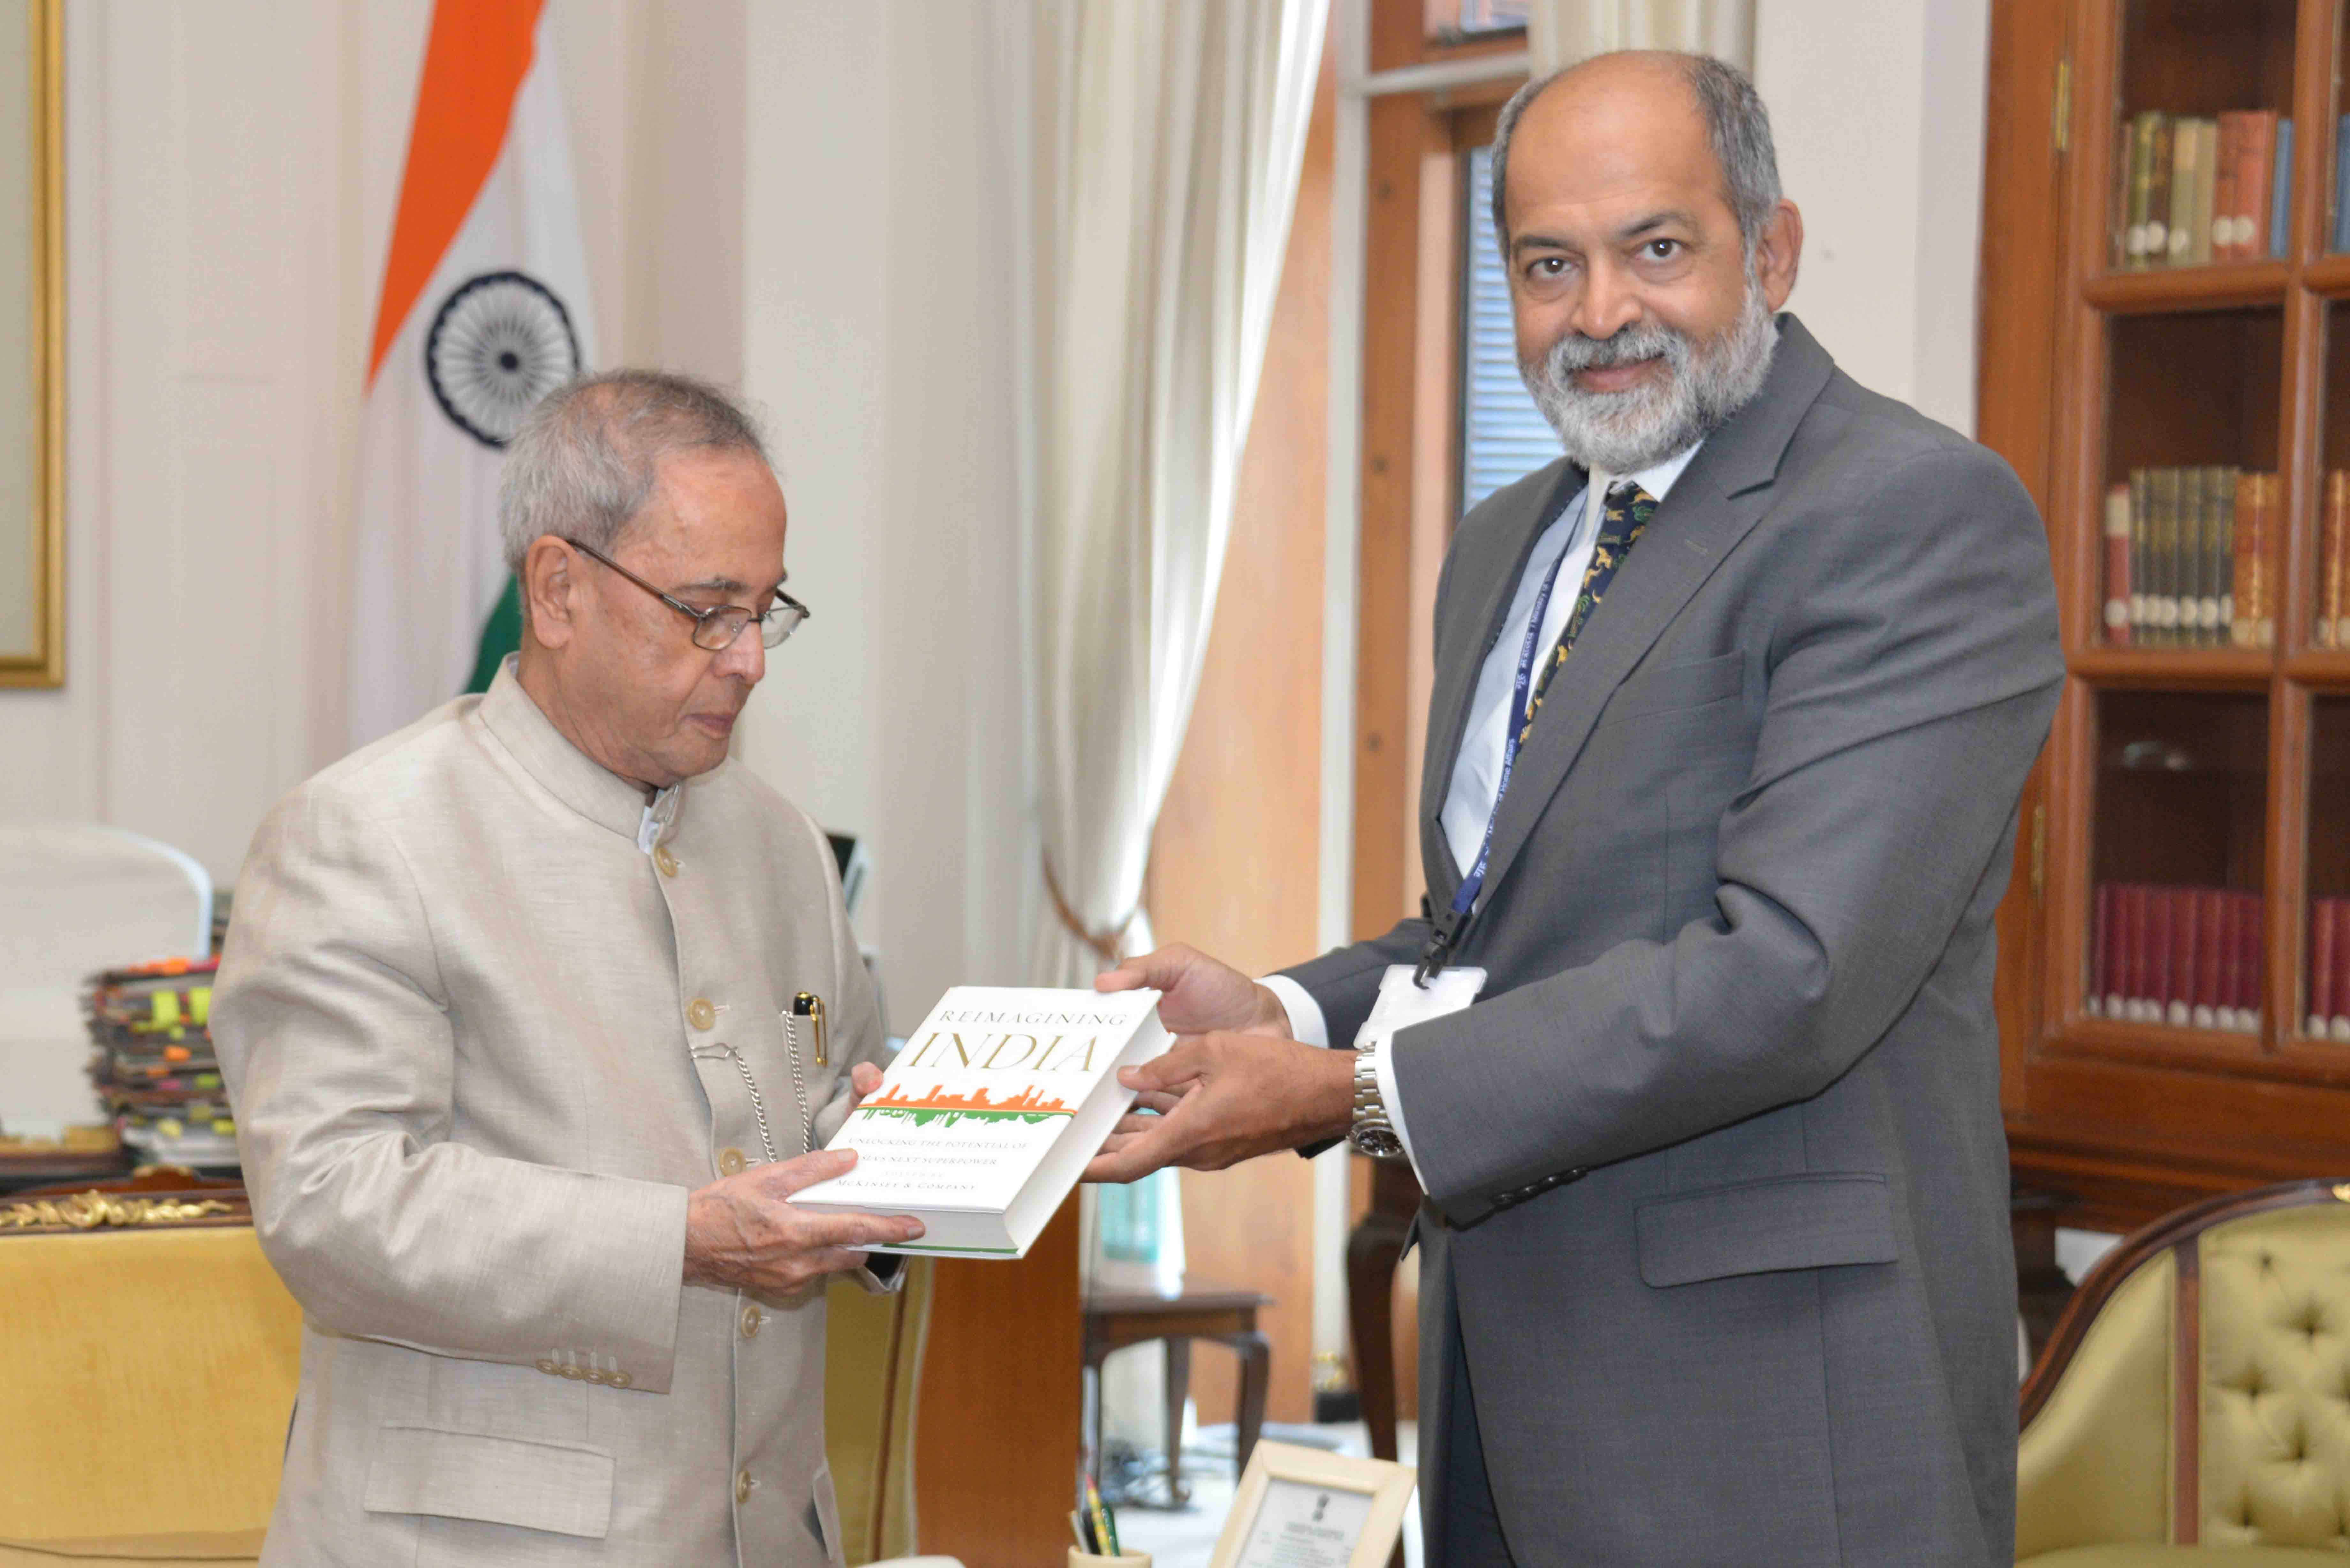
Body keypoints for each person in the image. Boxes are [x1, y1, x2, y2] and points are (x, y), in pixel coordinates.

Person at [1085, 51, 2061, 1567]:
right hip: (1500, 1385)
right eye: (1550, 265)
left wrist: (1350, 1090)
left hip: (1765, 1421)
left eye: (1655, 248)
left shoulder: (1911, 513)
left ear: (1773, 249)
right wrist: (1287, 1007)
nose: (1599, 312)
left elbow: (1785, 974)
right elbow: (1491, 927)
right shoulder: (1507, 540)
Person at [213, 371, 923, 1567]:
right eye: (707, 610)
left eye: (766, 609)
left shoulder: (780, 843)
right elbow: (332, 1201)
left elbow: (813, 1082)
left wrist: (911, 1137)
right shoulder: (368, 833)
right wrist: (680, 1240)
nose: (750, 660)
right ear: (557, 590)